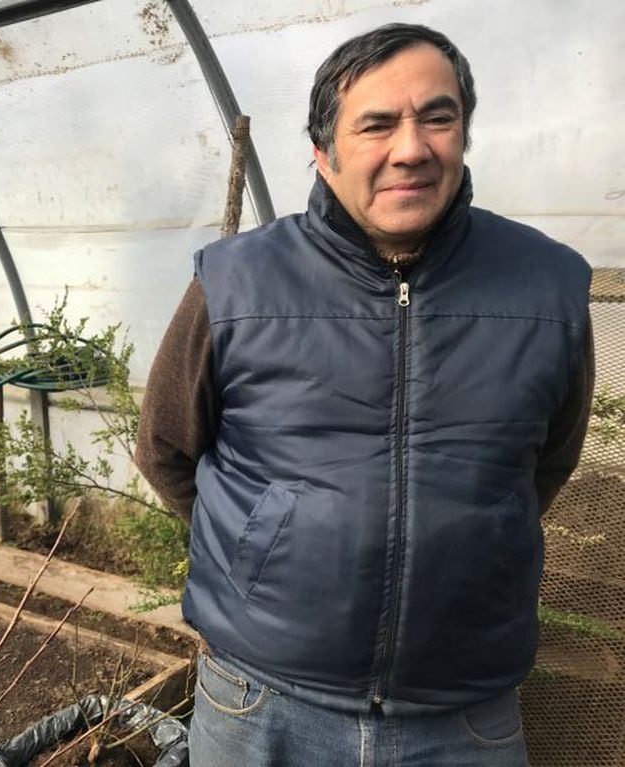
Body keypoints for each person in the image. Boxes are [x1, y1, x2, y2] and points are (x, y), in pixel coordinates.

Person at [134, 23, 594, 767]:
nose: (410, 148)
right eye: (376, 123)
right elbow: (165, 448)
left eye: (436, 117)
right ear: (323, 152)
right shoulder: (234, 282)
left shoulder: (547, 285)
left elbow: (546, 463)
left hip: (464, 716)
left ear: (461, 134)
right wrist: (263, 544)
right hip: (261, 703)